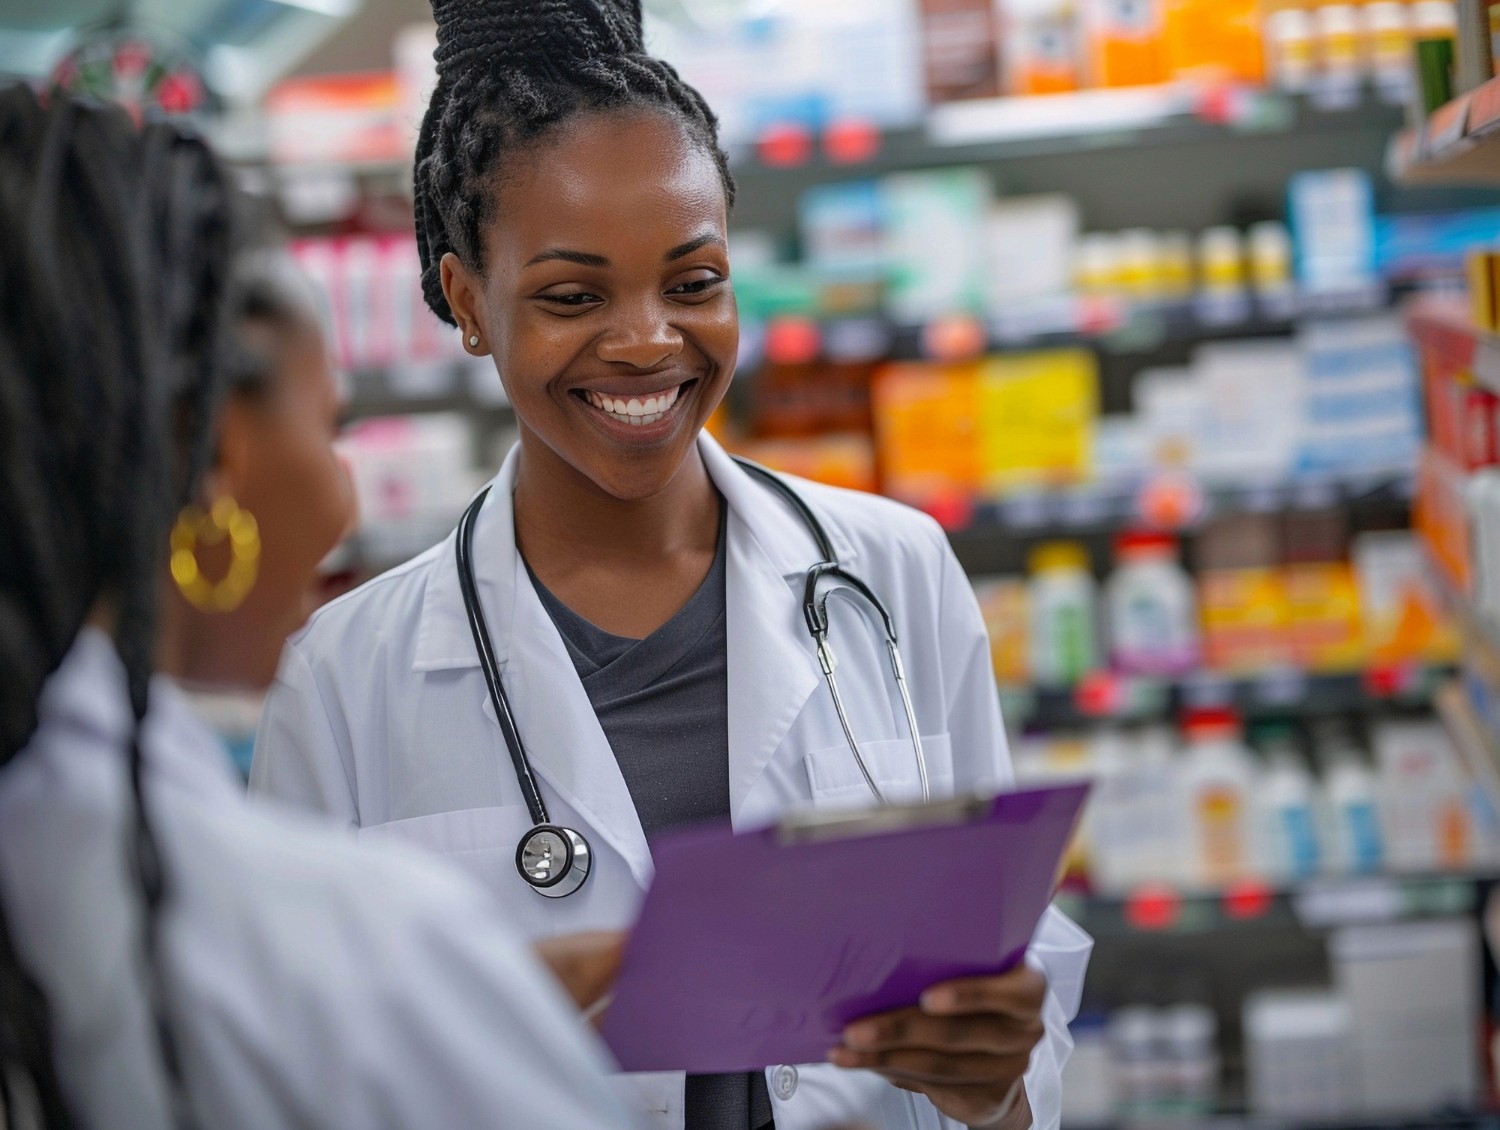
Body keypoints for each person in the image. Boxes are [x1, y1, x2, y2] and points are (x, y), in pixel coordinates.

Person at [250, 2, 1093, 1128]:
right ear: (465, 301)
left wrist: (999, 1084)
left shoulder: (893, 575)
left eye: (692, 283)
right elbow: (289, 1068)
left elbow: (1009, 965)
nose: (648, 339)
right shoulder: (348, 676)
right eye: (572, 295)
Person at [0, 86, 641, 1129]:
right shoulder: (349, 963)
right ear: (211, 455)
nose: (345, 496)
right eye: (328, 424)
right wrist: (448, 1009)